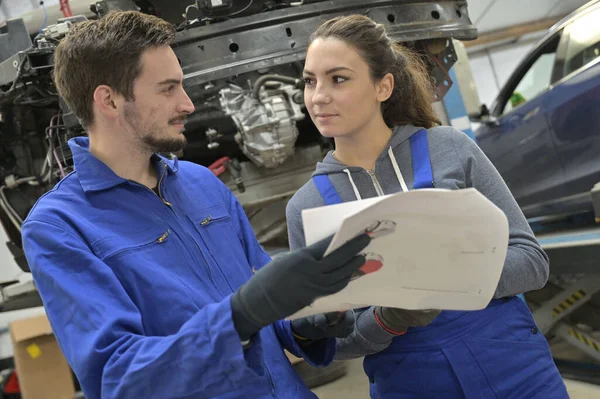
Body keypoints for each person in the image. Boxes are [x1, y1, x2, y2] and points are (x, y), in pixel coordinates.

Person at [21, 11, 371, 399]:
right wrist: (238, 316)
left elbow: (263, 311)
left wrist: (305, 323)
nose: (187, 104)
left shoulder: (201, 182)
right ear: (109, 100)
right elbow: (118, 378)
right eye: (168, 88)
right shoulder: (59, 227)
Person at [286, 14, 569, 399]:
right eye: (309, 81)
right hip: (411, 382)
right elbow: (332, 342)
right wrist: (384, 320)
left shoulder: (449, 149)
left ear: (383, 86)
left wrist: (449, 278)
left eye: (338, 79)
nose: (318, 96)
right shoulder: (307, 206)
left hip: (513, 365)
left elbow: (532, 262)